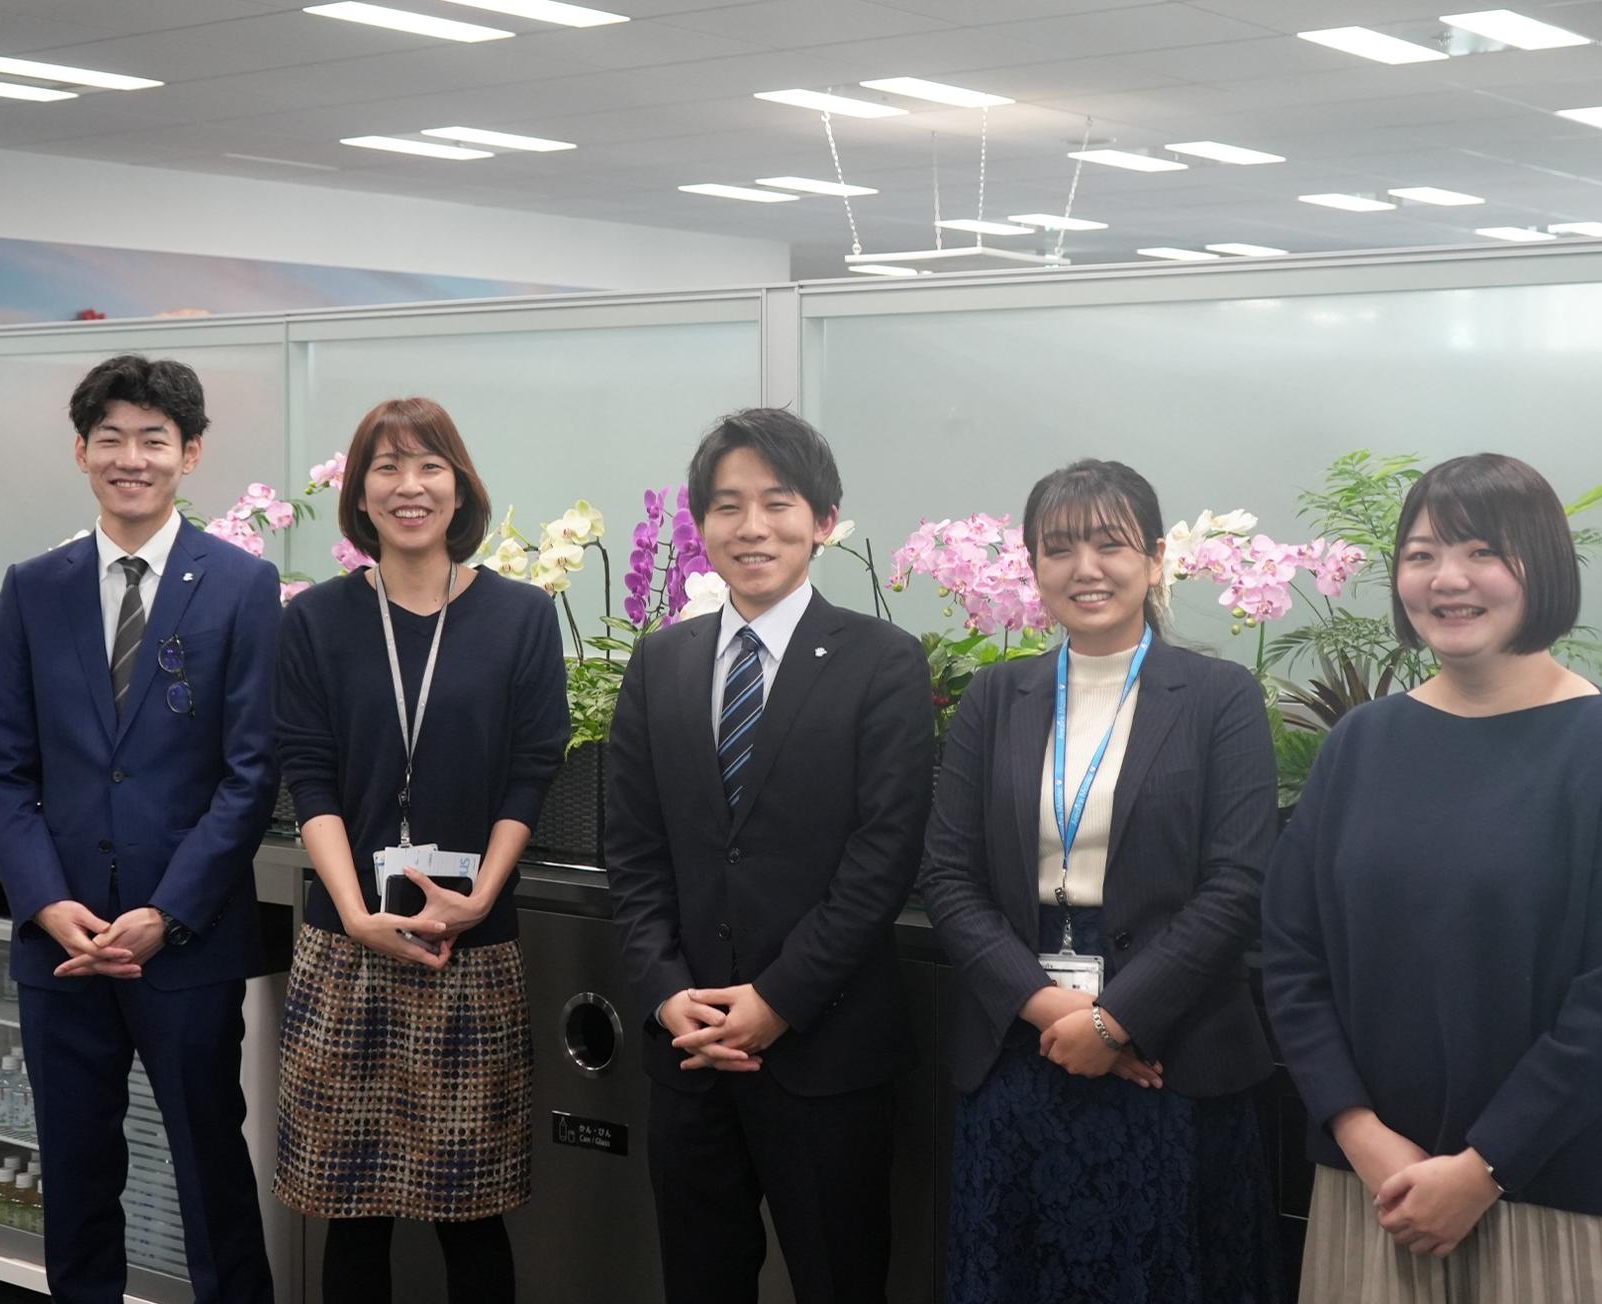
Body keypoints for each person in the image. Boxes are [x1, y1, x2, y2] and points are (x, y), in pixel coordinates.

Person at [1261, 452, 1602, 1303]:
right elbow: (1292, 954)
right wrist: (1357, 1130)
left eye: (1483, 552)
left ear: (1544, 567)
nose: (1447, 579)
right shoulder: (1361, 745)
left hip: (1549, 1171)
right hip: (1380, 1177)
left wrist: (1483, 1167)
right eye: (1421, 555)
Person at [917, 458, 1283, 1304]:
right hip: (1021, 1048)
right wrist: (1056, 1011)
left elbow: (1237, 883)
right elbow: (948, 875)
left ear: (1155, 559)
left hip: (1172, 1054)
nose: (1086, 568)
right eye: (1060, 548)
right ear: (1033, 566)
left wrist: (1117, 1020)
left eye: (1110, 544)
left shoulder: (1220, 697)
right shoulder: (994, 698)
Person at [604, 407, 935, 1304]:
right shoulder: (660, 663)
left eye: (778, 503)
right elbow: (633, 853)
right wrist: (667, 993)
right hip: (689, 1052)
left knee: (839, 1281)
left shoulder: (884, 662)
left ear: (823, 520)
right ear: (700, 524)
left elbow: (882, 859)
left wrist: (778, 1000)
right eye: (728, 506)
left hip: (827, 1052)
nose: (752, 527)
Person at [0, 354, 278, 1303]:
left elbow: (250, 774)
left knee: (209, 1171)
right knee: (74, 1177)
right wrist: (46, 904)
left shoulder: (241, 585)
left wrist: (166, 913)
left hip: (185, 942)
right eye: (111, 439)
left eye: (154, 439)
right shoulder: (34, 587)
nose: (131, 458)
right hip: (62, 944)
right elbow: (4, 771)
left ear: (191, 453)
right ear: (81, 452)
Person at [273, 397, 568, 1303]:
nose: (411, 487)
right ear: (360, 495)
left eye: (429, 466)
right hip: (346, 947)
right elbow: (308, 775)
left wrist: (480, 895)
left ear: (460, 486)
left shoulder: (520, 615)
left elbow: (532, 770)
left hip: (470, 948)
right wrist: (356, 912)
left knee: (471, 1211)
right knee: (349, 1209)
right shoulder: (316, 620)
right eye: (388, 467)